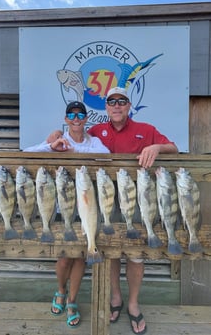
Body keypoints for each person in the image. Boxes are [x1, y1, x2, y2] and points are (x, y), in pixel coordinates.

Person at [47, 87, 179, 334]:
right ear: (106, 107)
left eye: (122, 101)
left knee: (135, 254)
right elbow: (74, 136)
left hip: (139, 200)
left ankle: (133, 303)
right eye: (111, 102)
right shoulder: (97, 132)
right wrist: (55, 133)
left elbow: (173, 147)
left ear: (129, 106)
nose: (117, 105)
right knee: (111, 251)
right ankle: (116, 298)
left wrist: (157, 148)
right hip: (106, 201)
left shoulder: (146, 130)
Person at [24, 101, 110, 328]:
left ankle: (72, 300)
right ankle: (60, 290)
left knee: (80, 256)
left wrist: (74, 151)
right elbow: (27, 153)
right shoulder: (57, 138)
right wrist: (51, 148)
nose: (76, 118)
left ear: (86, 118)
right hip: (62, 208)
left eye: (80, 114)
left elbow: (107, 155)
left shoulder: (94, 142)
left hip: (87, 207)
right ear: (66, 118)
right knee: (64, 257)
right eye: (71, 114)